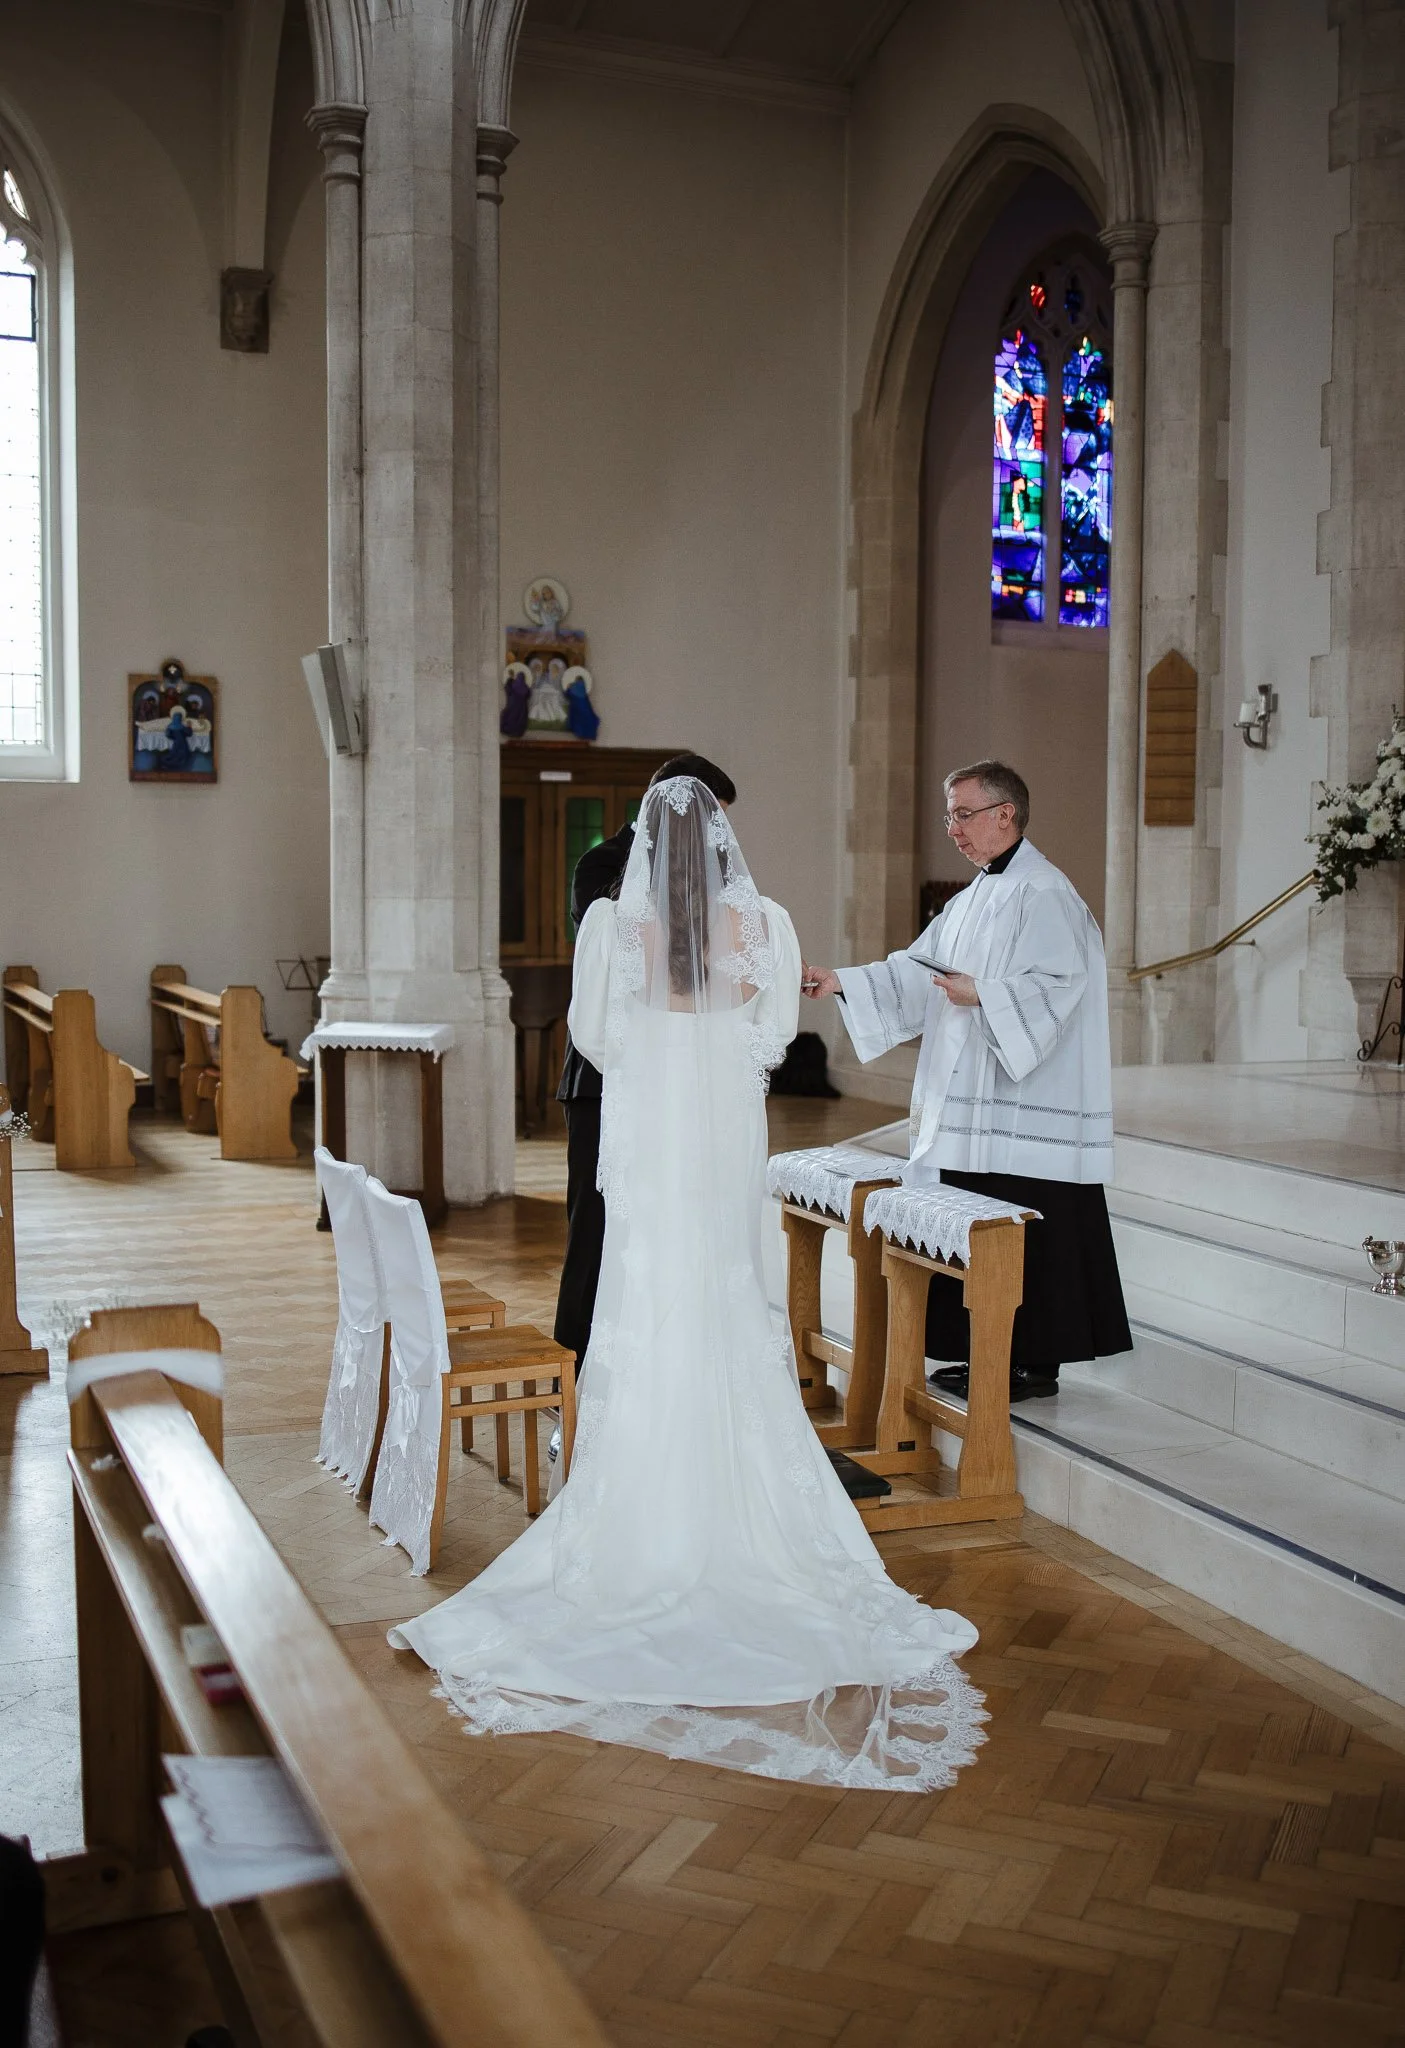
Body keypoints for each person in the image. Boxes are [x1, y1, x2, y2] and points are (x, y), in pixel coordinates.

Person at [392, 777, 984, 1792]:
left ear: (641, 839)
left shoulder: (609, 924)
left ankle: (642, 1518)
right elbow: (768, 1040)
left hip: (649, 1133)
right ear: (719, 840)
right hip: (717, 1132)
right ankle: (734, 1513)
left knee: (646, 1298)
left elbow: (595, 1038)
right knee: (722, 1293)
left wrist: (658, 1041)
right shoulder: (765, 920)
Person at [804, 759, 1130, 1401]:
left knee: (1032, 1223)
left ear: (1004, 814)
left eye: (961, 813)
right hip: (982, 1103)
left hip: (1026, 1101)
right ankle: (987, 1354)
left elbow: (1062, 986)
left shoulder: (1046, 894)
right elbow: (917, 969)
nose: (951, 828)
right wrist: (844, 980)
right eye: (949, 814)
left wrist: (984, 994)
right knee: (976, 1214)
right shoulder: (976, 894)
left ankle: (1034, 1362)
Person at [553, 751, 736, 1366]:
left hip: (679, 1082)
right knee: (597, 1225)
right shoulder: (602, 866)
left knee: (667, 1227)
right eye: (713, 819)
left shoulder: (717, 879)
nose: (721, 836)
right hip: (605, 1079)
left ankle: (654, 1359)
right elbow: (602, 991)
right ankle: (581, 1363)